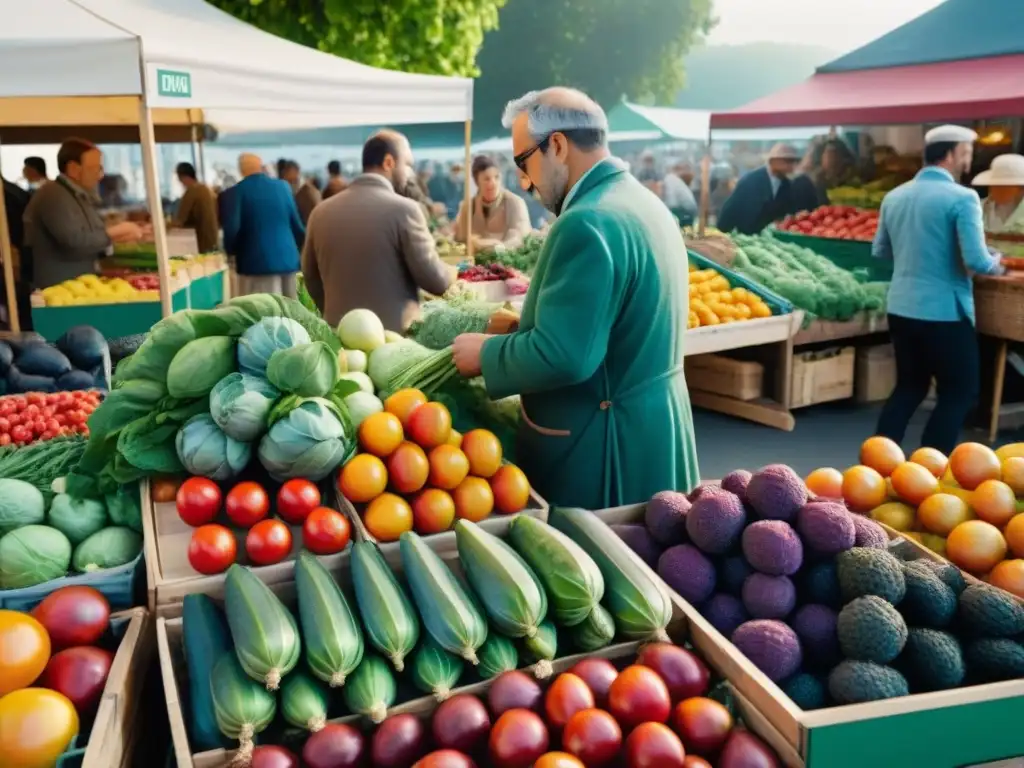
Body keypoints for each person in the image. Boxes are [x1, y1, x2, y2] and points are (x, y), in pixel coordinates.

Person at [450, 87, 699, 510]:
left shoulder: (586, 221)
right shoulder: (645, 204)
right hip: (657, 428)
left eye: (523, 162)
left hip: (605, 449)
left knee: (608, 569)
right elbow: (615, 327)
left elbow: (567, 356)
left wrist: (488, 355)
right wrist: (522, 329)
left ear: (559, 146)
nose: (525, 183)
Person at [873, 125, 1005, 455]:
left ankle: (874, 466)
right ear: (950, 154)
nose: (969, 159)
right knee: (959, 391)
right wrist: (998, 262)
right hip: (945, 311)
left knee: (909, 386)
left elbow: (881, 251)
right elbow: (977, 259)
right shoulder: (963, 197)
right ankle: (929, 471)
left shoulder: (895, 195)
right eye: (966, 152)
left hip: (902, 307)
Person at [301, 131, 454, 331]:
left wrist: (340, 317)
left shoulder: (320, 212)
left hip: (338, 338)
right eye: (407, 165)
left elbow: (310, 276)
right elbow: (436, 281)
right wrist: (452, 273)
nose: (409, 174)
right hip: (394, 342)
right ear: (389, 162)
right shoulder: (405, 210)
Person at [24, 138, 141, 289]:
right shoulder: (54, 195)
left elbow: (91, 232)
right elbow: (74, 241)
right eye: (95, 168)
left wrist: (116, 238)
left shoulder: (77, 195)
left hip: (79, 284)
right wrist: (113, 233)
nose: (100, 175)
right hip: (60, 289)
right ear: (73, 169)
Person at [222, 153, 305, 299]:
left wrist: (230, 252)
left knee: (265, 313)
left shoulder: (238, 191)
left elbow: (232, 229)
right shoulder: (283, 187)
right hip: (288, 259)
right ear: (260, 166)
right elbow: (297, 226)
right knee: (292, 311)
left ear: (241, 170)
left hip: (256, 262)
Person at [716, 143, 802, 234]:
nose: (791, 166)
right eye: (788, 161)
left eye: (793, 162)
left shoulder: (787, 185)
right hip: (747, 237)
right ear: (773, 161)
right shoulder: (751, 180)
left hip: (770, 241)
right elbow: (731, 209)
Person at [454, 155, 532, 252]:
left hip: (509, 262)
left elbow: (520, 237)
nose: (493, 183)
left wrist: (497, 248)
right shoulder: (468, 206)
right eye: (487, 179)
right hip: (474, 263)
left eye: (496, 177)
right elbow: (461, 240)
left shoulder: (515, 203)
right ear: (477, 182)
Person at [172, 162, 218, 253]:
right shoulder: (206, 189)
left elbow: (179, 221)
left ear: (182, 177)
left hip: (200, 243)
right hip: (213, 241)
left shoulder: (192, 192)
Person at [972, 154, 1024, 233]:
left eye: (1005, 186)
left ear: (1021, 189)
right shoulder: (975, 209)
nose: (997, 190)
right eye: (995, 185)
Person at [281, 160, 322, 226]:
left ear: (294, 171)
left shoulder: (307, 191)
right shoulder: (298, 189)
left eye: (286, 172)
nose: (284, 176)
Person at [661, 161, 698, 226]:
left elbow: (672, 203)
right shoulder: (677, 181)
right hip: (690, 212)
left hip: (685, 212)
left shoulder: (669, 179)